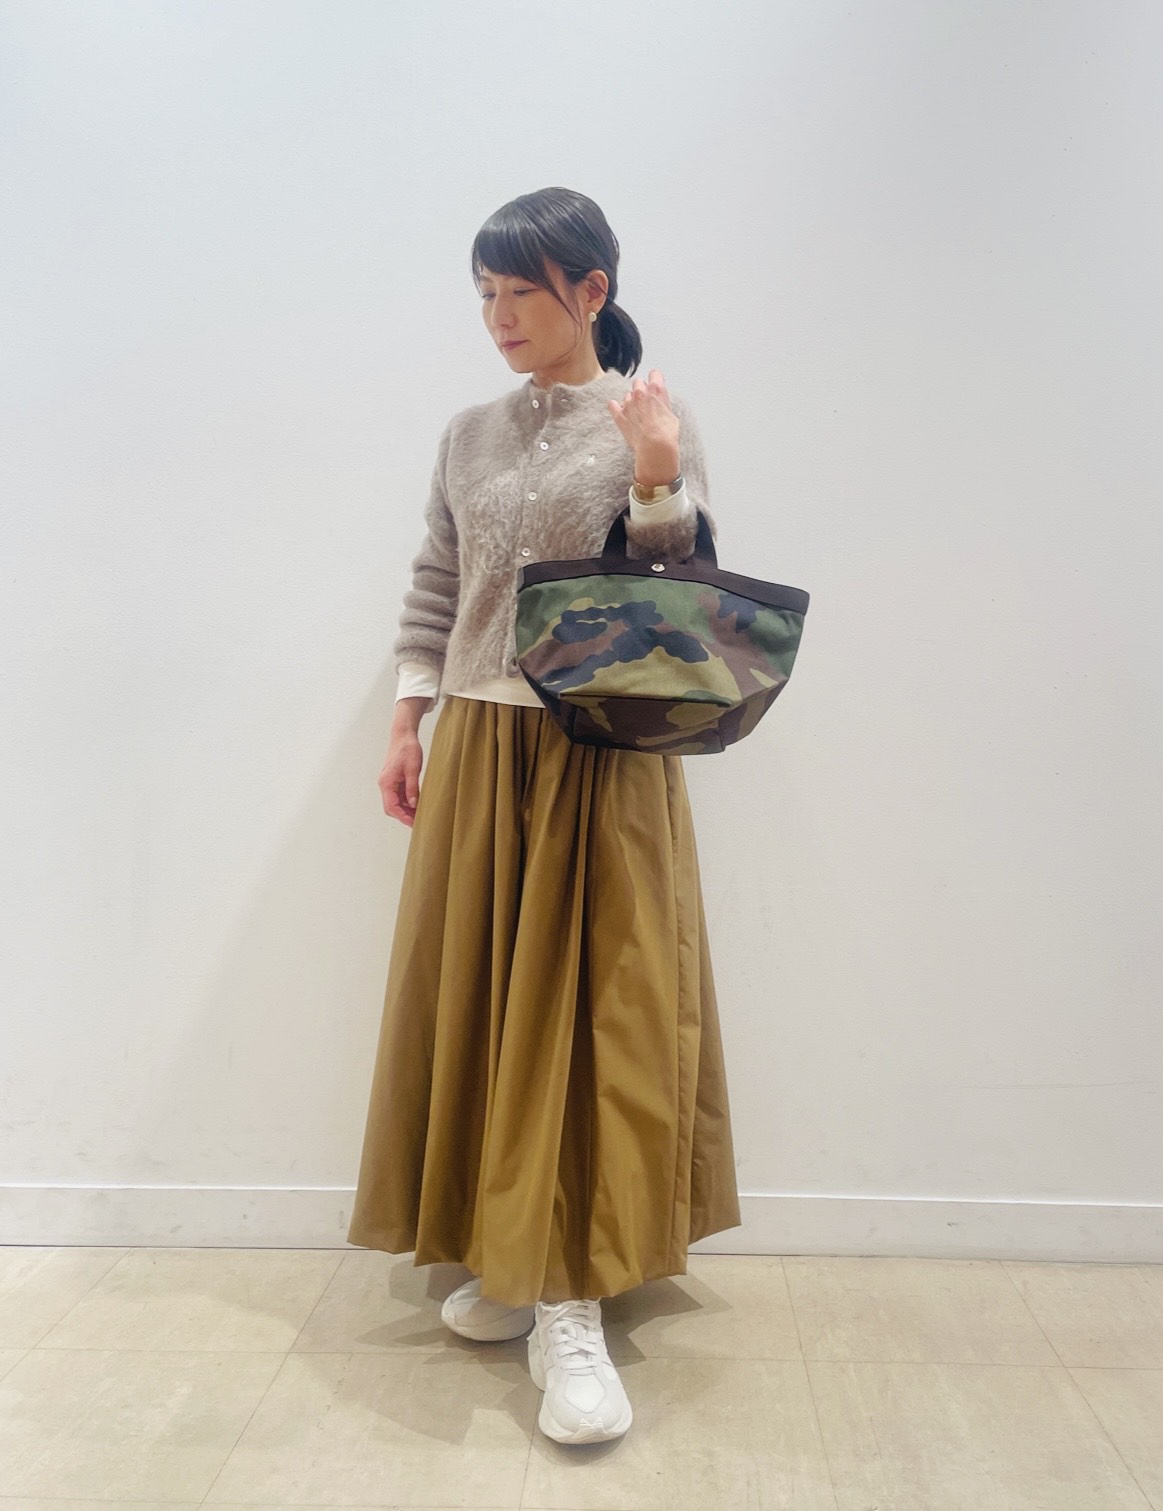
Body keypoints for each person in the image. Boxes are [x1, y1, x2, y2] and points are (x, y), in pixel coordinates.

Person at [345, 186, 742, 1445]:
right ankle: (512, 1257)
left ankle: (571, 1300)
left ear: (591, 291)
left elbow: (680, 593)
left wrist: (659, 472)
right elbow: (439, 578)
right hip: (479, 742)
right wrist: (409, 717)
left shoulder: (646, 417)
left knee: (583, 1018)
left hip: (596, 755)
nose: (500, 315)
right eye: (485, 293)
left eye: (523, 290)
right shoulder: (467, 434)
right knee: (481, 1004)